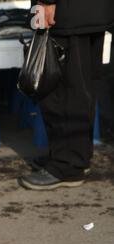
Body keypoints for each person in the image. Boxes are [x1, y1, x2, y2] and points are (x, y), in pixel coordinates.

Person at [18, 0, 114, 190]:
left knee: (64, 91)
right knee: (80, 86)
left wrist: (47, 1)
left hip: (67, 12)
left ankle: (67, 165)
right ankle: (74, 157)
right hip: (91, 12)